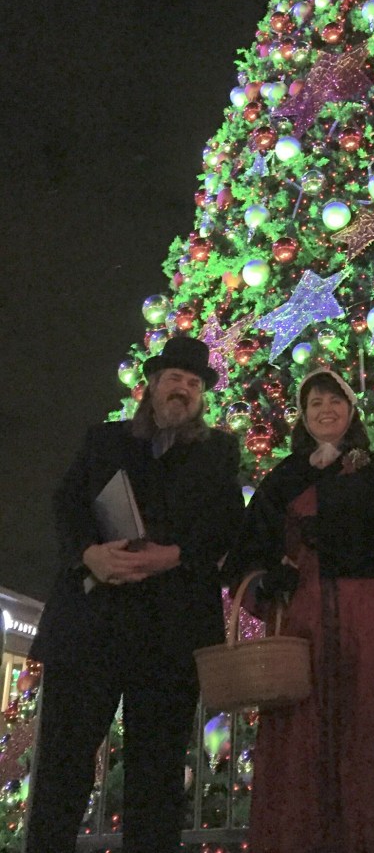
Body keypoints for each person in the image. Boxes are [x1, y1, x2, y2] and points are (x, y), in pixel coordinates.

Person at [26, 335, 245, 853]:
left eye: (194, 384)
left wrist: (175, 555)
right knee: (64, 766)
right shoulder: (104, 440)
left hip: (169, 636)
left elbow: (228, 525)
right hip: (91, 630)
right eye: (174, 379)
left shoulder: (218, 452)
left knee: (158, 776)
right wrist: (89, 555)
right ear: (151, 386)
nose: (183, 390)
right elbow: (68, 505)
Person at [226, 367, 374, 853]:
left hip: (368, 613)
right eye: (315, 403)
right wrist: (272, 576)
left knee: (365, 723)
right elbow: (247, 549)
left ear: (352, 410)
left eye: (334, 401)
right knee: (301, 725)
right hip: (304, 617)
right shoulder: (284, 477)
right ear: (304, 414)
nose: (325, 410)